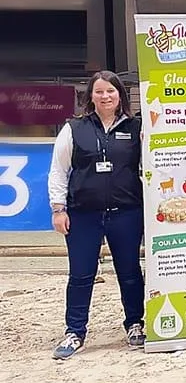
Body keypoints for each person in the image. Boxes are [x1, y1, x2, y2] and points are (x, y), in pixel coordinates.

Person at [46, 70, 145, 359]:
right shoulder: (74, 128)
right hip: (83, 214)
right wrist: (58, 209)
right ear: (90, 95)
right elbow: (58, 170)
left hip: (126, 212)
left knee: (129, 272)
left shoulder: (136, 127)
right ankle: (75, 332)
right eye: (99, 91)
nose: (105, 96)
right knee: (81, 274)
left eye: (110, 91)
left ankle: (135, 324)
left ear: (120, 95)